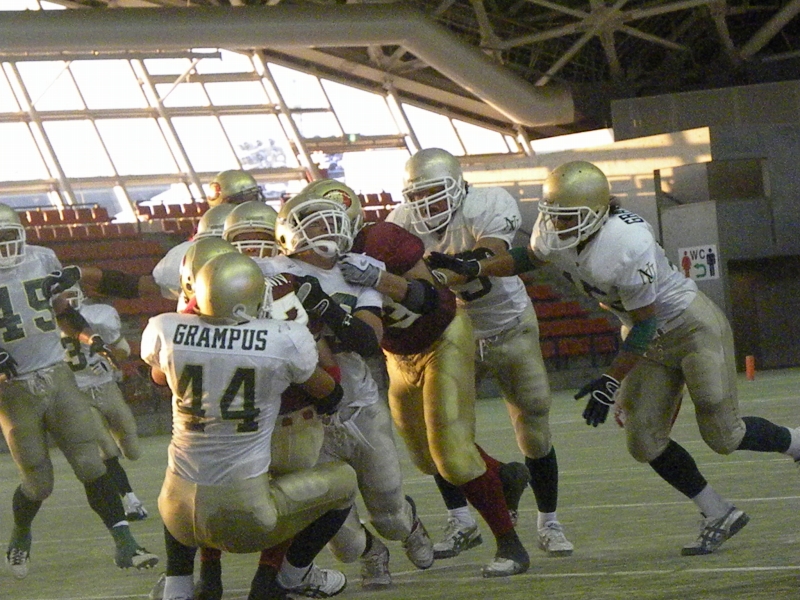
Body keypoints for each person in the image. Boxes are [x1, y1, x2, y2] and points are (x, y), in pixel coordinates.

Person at [430, 159, 800, 555]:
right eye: (554, 215)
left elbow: (646, 323)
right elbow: (531, 258)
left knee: (725, 435)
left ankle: (796, 443)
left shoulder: (626, 243)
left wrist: (610, 380)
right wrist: (477, 265)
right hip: (646, 338)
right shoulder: (559, 229)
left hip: (689, 327)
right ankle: (718, 512)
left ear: (597, 211)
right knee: (644, 441)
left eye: (567, 217)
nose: (557, 224)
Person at [315, 179, 531, 578]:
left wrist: (379, 279)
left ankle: (510, 545)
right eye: (316, 227)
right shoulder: (305, 266)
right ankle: (502, 475)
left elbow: (430, 297)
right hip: (397, 352)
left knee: (453, 455)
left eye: (331, 225)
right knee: (426, 458)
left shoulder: (381, 239)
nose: (324, 236)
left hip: (441, 335)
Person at [386, 148, 573, 558]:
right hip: (451, 335)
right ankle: (461, 519)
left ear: (457, 187)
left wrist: (440, 275)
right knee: (441, 432)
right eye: (417, 196)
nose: (425, 205)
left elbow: (491, 253)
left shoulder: (488, 202)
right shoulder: (399, 222)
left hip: (507, 326)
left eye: (433, 194)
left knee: (533, 426)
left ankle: (549, 522)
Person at [140, 252, 358, 600]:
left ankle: (177, 588)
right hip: (243, 516)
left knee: (184, 481)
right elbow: (330, 393)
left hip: (175, 513)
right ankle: (290, 580)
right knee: (344, 481)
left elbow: (157, 376)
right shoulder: (282, 339)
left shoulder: (166, 328)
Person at [267, 187, 435, 589]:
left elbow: (367, 340)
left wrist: (324, 308)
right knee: (344, 542)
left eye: (332, 219)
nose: (328, 228)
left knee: (390, 517)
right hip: (305, 419)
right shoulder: (270, 271)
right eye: (316, 222)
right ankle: (372, 553)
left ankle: (409, 525)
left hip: (360, 407)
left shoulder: (358, 268)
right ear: (290, 230)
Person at [0, 203, 158, 580]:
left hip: (57, 374)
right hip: (14, 390)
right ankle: (21, 533)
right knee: (39, 482)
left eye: (9, 236)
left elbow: (62, 312)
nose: (6, 245)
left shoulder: (42, 259)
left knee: (90, 462)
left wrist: (91, 337)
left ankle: (126, 544)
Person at [59, 284, 148, 521]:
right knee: (107, 451)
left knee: (132, 449)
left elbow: (123, 349)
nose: (68, 300)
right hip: (77, 394)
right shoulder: (45, 325)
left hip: (106, 387)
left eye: (71, 294)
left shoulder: (99, 315)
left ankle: (130, 498)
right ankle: (131, 501)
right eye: (63, 296)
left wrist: (109, 359)